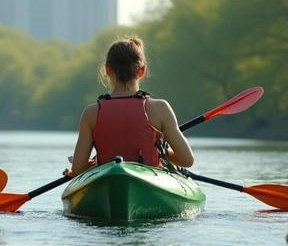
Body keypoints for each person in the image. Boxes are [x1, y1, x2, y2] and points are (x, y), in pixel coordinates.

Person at [64, 36, 194, 178]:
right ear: (142, 71)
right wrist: (159, 150)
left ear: (107, 69)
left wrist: (88, 165)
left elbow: (77, 170)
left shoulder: (91, 113)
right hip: (151, 180)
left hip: (108, 179)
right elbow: (187, 160)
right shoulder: (160, 108)